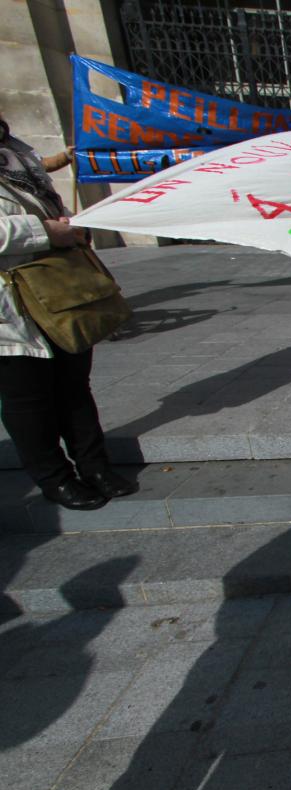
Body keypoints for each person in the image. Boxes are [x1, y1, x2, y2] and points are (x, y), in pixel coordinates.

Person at [0, 113, 137, 509]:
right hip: (11, 304)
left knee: (74, 384)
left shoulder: (15, 151)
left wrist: (70, 225)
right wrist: (46, 231)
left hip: (59, 288)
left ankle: (94, 465)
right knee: (27, 395)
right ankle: (54, 477)